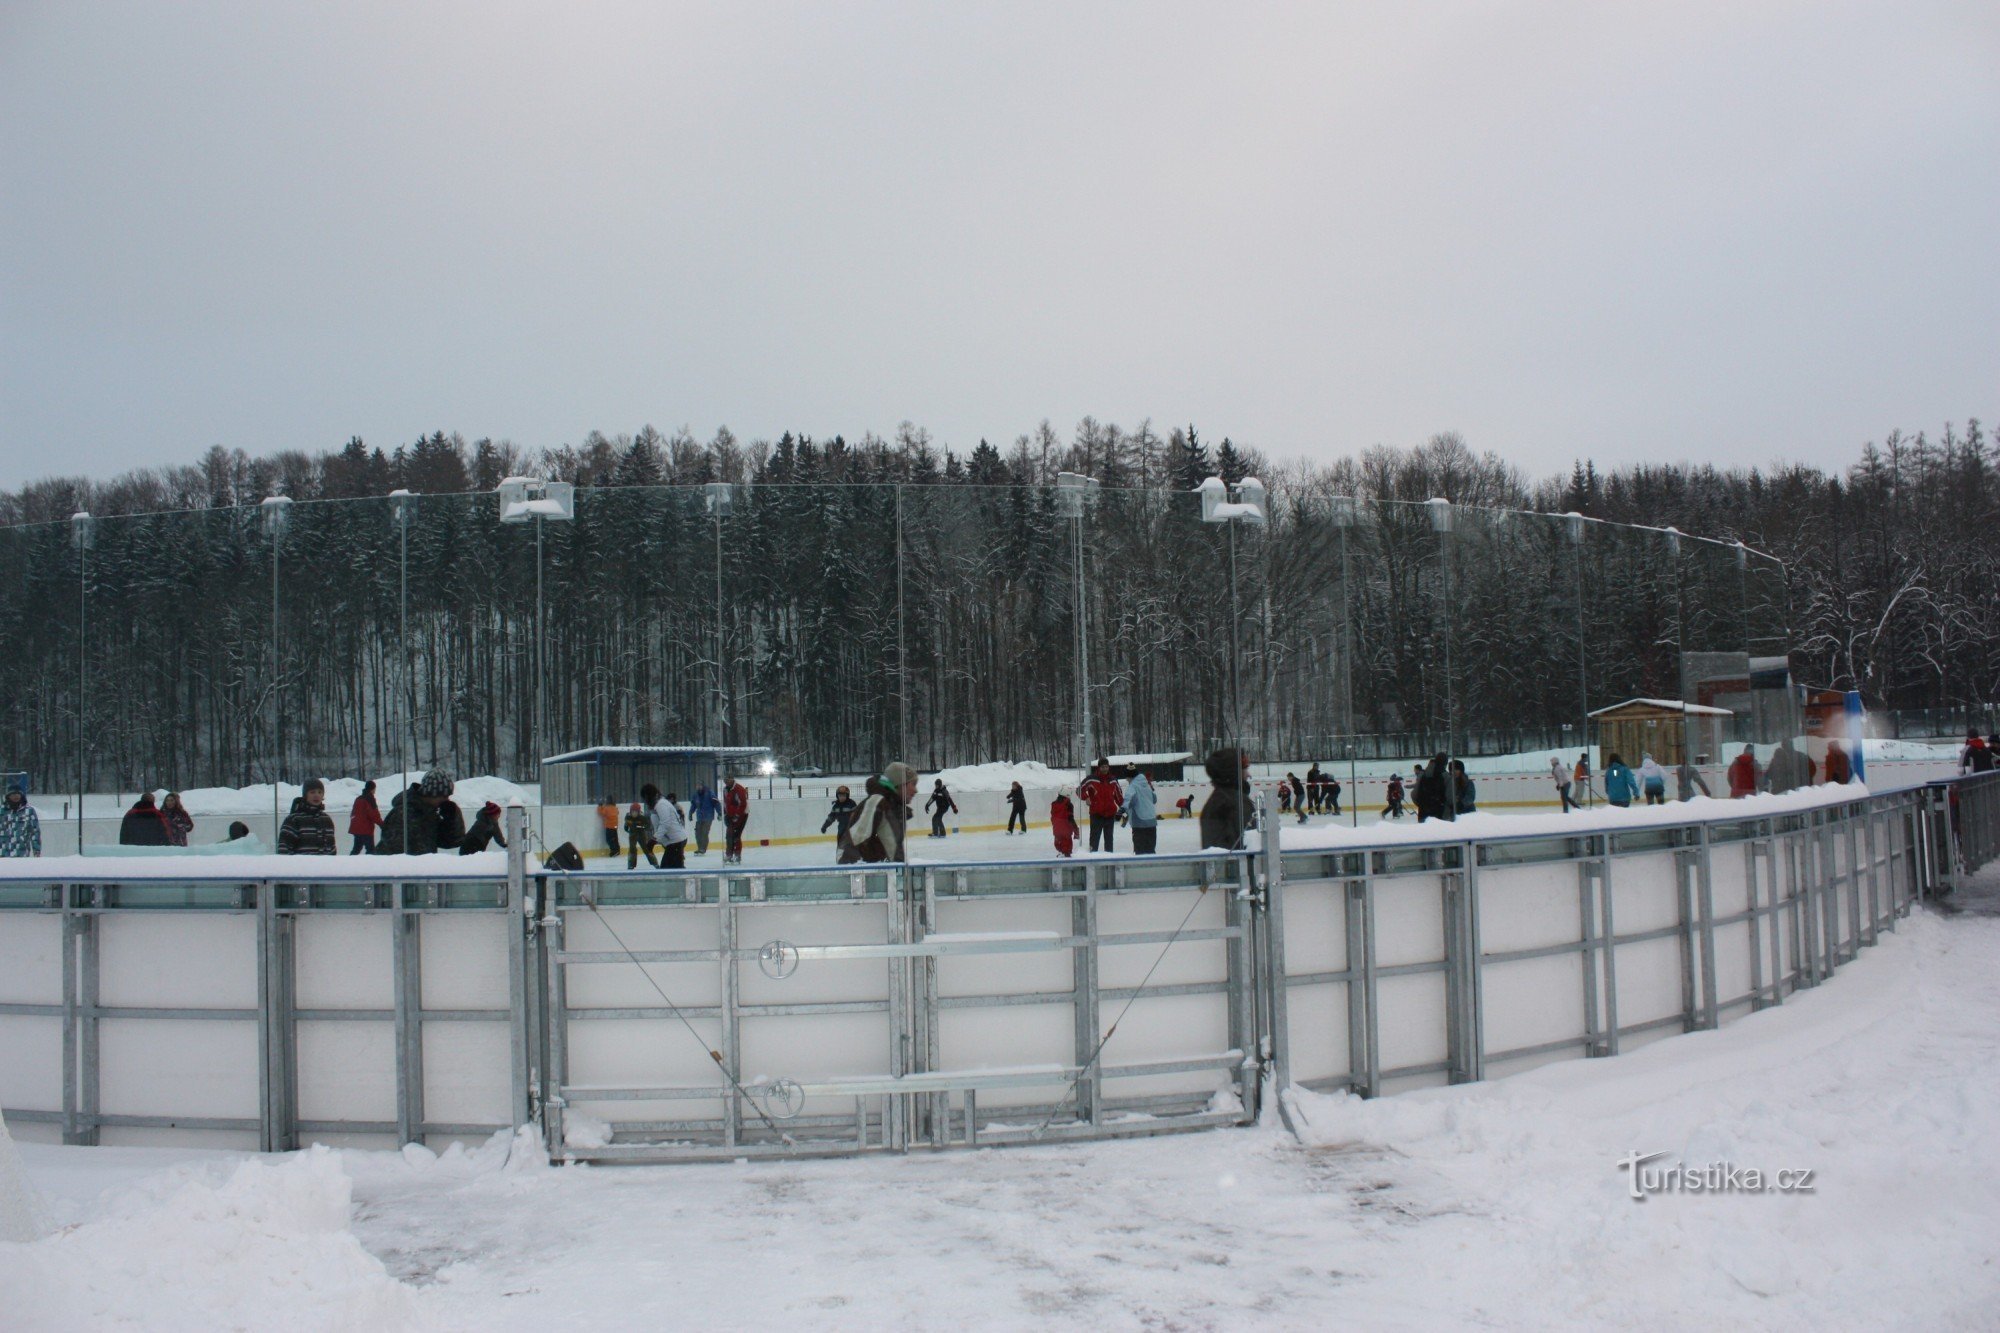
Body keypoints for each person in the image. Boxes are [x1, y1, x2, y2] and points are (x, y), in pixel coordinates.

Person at [374, 769, 466, 856]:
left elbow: (452, 842)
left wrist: (451, 819)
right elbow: (392, 851)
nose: (447, 800)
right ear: (432, 793)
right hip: (408, 867)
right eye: (444, 796)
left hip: (422, 866)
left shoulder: (430, 813)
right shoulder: (403, 814)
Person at [840, 762, 917, 865]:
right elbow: (854, 842)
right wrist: (847, 871)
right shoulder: (877, 802)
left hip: (889, 872)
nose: (915, 790)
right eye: (913, 784)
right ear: (901, 784)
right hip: (876, 874)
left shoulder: (892, 807)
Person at [1198, 748, 1253, 851]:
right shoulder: (1235, 803)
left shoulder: (1218, 800)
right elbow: (1251, 846)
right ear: (1234, 772)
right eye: (1245, 769)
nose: (1249, 775)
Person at [277, 778, 338, 855]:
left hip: (324, 863)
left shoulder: (326, 819)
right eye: (312, 792)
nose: (316, 795)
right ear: (305, 795)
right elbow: (284, 848)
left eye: (320, 792)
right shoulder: (294, 819)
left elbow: (332, 848)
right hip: (302, 862)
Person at [1079, 759, 1124, 853]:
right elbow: (1079, 790)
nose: (1105, 769)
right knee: (1094, 840)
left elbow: (1119, 796)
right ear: (1099, 767)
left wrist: (1123, 809)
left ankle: (1109, 859)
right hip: (1096, 814)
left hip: (1110, 815)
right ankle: (1092, 858)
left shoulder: (1113, 780)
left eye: (1106, 766)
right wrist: (1086, 797)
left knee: (1109, 840)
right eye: (1103, 767)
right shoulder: (1091, 779)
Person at [646, 784, 689, 869]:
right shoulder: (658, 805)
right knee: (673, 869)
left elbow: (665, 823)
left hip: (675, 841)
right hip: (673, 841)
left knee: (668, 870)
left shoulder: (661, 805)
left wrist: (654, 840)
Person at [0, 787, 42, 858]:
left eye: (18, 794)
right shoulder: (2, 811)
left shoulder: (29, 811)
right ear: (8, 796)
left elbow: (35, 832)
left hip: (21, 854)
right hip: (3, 854)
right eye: (13, 794)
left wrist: (37, 851)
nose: (16, 796)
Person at [1127, 767, 1160, 854]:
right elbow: (1154, 799)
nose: (1127, 780)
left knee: (1140, 851)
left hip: (1139, 823)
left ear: (1131, 778)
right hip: (1152, 822)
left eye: (1127, 779)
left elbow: (1130, 802)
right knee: (1150, 850)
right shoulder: (1147, 785)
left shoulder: (1133, 787)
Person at [349, 780, 384, 854]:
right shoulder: (370, 799)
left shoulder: (358, 799)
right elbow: (374, 814)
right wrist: (382, 825)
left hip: (356, 828)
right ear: (372, 789)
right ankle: (369, 861)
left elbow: (353, 813)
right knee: (370, 850)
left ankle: (349, 861)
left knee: (356, 849)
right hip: (366, 829)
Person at [1413, 755, 1450, 823]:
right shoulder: (1445, 775)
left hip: (1423, 814)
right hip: (1439, 814)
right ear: (1445, 763)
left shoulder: (1422, 775)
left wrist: (1422, 805)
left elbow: (1414, 794)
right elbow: (1449, 797)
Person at [822, 785, 859, 853]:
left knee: (852, 844)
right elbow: (831, 817)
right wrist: (825, 826)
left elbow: (857, 815)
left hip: (851, 828)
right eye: (840, 796)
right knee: (841, 844)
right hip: (841, 828)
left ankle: (854, 854)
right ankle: (841, 854)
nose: (842, 797)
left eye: (844, 795)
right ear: (837, 796)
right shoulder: (836, 806)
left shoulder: (851, 804)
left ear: (847, 796)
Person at [721, 778, 750, 864]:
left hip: (742, 815)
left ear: (732, 780)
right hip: (730, 815)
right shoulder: (725, 790)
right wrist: (725, 813)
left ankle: (737, 855)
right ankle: (729, 855)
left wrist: (737, 815)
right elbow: (725, 803)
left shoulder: (739, 789)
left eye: (728, 780)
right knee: (729, 835)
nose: (726, 782)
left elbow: (743, 804)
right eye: (725, 780)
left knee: (736, 835)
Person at [623, 801, 657, 869]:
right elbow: (626, 823)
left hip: (641, 834)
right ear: (630, 811)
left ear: (638, 812)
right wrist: (626, 827)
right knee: (632, 849)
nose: (634, 813)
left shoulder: (642, 817)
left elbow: (648, 826)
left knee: (646, 849)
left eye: (635, 812)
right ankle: (631, 864)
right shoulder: (628, 816)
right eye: (632, 812)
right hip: (632, 834)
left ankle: (655, 863)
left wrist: (640, 827)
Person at [689, 784, 720, 856]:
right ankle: (700, 848)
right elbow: (693, 805)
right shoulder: (696, 794)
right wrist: (690, 813)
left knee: (704, 833)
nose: (698, 787)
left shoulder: (710, 793)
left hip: (708, 817)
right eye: (697, 786)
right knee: (698, 833)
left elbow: (716, 803)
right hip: (699, 817)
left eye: (700, 786)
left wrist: (720, 813)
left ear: (703, 786)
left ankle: (703, 849)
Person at [1050, 792, 1079, 857]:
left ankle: (1061, 854)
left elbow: (1053, 817)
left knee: (1059, 846)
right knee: (1066, 850)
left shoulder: (1054, 804)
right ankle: (1065, 856)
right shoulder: (1068, 804)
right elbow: (1070, 819)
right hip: (1066, 831)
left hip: (1057, 830)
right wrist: (1076, 830)